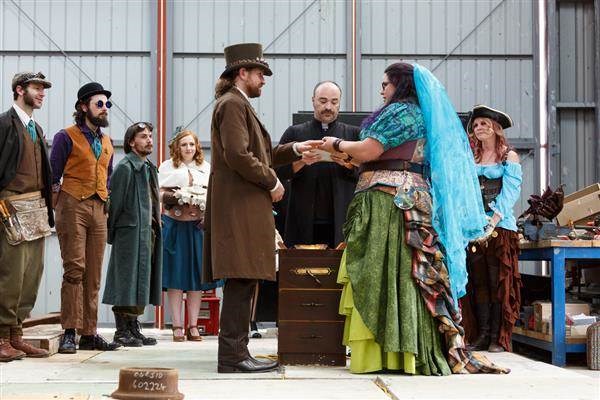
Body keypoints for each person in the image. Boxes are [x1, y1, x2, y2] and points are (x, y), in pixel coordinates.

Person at [319, 62, 509, 375]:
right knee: (397, 276)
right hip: (390, 198)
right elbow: (373, 156)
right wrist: (341, 154)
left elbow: (368, 150)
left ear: (402, 85)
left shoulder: (403, 112)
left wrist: (336, 145)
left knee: (393, 275)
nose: (382, 90)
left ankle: (394, 352)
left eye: (386, 84)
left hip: (393, 204)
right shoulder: (408, 113)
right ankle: (397, 353)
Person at [202, 42, 320, 373]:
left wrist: (295, 149)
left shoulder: (237, 104)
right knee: (242, 279)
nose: (264, 80)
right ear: (243, 73)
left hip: (243, 206)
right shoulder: (232, 105)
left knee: (246, 278)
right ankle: (232, 356)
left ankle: (237, 352)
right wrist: (273, 181)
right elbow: (238, 155)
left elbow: (259, 151)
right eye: (260, 73)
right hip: (240, 207)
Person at [51, 82, 120, 353]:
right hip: (72, 205)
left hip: (99, 208)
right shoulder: (65, 136)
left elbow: (108, 175)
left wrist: (106, 198)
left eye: (107, 104)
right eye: (99, 104)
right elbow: (54, 176)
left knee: (94, 273)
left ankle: (89, 333)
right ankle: (70, 330)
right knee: (74, 270)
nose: (104, 109)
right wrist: (56, 208)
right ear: (83, 107)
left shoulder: (106, 142)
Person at [0, 72, 53, 361]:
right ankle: (1, 336)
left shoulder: (37, 128)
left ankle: (16, 335)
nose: (42, 93)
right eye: (37, 88)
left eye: (43, 88)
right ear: (20, 90)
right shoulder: (4, 124)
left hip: (37, 207)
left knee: (31, 275)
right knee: (9, 273)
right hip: (10, 204)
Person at [463, 105, 522, 353]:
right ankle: (483, 335)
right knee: (479, 282)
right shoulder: (471, 159)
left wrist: (493, 220)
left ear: (495, 128)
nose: (479, 128)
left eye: (484, 124)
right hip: (474, 228)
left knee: (499, 282)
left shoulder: (509, 156)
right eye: (476, 125)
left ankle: (499, 337)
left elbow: (511, 191)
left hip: (500, 227)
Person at [276, 81, 360, 248]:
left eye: (334, 102)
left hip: (342, 216)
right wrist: (300, 161)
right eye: (323, 101)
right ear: (313, 100)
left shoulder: (353, 134)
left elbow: (367, 172)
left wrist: (348, 163)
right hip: (302, 216)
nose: (328, 106)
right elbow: (277, 171)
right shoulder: (294, 133)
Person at [102, 122, 162, 347]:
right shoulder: (126, 167)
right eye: (143, 137)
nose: (149, 140)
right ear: (131, 142)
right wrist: (115, 233)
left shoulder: (148, 168)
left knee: (142, 277)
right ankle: (121, 330)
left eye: (150, 136)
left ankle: (133, 327)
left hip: (148, 231)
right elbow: (115, 204)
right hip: (129, 232)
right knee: (127, 278)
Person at [158, 129, 221, 342]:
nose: (188, 148)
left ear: (197, 147)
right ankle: (177, 325)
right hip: (175, 225)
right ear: (177, 147)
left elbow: (215, 194)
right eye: (184, 144)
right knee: (175, 276)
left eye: (192, 144)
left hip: (198, 227)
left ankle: (193, 326)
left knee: (197, 277)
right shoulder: (167, 167)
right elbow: (158, 192)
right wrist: (175, 197)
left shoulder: (206, 168)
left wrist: (210, 217)